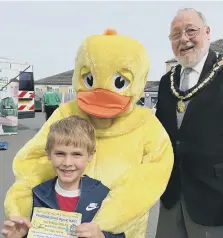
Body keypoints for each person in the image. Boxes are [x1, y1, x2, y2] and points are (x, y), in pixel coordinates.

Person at [4, 29, 173, 237]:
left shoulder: (146, 122)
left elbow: (152, 176)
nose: (68, 161)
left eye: (120, 82)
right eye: (89, 80)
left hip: (119, 230)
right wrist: (20, 211)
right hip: (58, 221)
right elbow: (31, 162)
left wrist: (105, 224)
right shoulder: (67, 112)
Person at [155, 8, 223, 238]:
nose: (183, 38)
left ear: (207, 32)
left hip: (214, 197)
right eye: (176, 34)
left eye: (190, 30)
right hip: (171, 196)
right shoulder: (167, 82)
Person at [1, 115, 125, 238]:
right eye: (60, 153)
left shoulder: (103, 194)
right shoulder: (37, 194)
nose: (67, 163)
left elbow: (120, 234)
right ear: (49, 154)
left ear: (90, 155)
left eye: (76, 154)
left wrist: (102, 236)